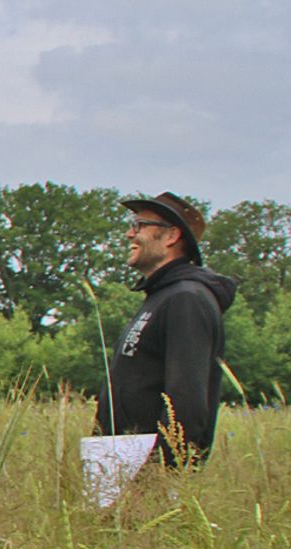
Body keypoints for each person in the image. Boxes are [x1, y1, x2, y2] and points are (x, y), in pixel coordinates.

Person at [95, 192, 236, 467]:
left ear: (172, 235)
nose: (129, 234)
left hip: (148, 472)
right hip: (123, 465)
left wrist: (163, 475)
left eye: (140, 225)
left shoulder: (186, 299)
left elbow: (186, 402)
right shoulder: (162, 297)